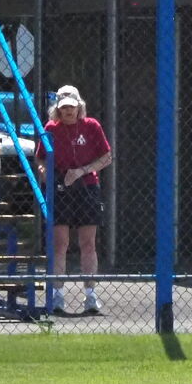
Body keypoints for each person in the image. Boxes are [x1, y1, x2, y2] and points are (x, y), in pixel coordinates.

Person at [44, 85, 110, 315]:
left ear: (78, 106)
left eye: (72, 107)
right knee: (60, 242)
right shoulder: (51, 128)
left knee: (88, 242)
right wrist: (47, 173)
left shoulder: (92, 126)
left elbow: (106, 157)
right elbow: (40, 158)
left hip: (87, 186)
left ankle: (90, 295)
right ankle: (56, 295)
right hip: (61, 188)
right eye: (64, 108)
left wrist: (82, 171)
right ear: (58, 110)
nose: (68, 112)